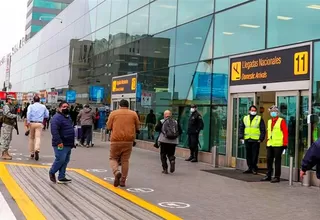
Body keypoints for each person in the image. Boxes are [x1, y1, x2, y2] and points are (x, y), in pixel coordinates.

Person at [107, 99, 140, 187]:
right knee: (125, 160)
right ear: (128, 106)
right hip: (128, 141)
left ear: (119, 105)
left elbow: (108, 126)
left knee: (113, 158)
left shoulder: (113, 113)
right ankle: (123, 181)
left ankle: (116, 171)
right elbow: (138, 126)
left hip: (116, 140)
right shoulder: (133, 114)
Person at [49, 101, 75, 184]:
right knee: (60, 159)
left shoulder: (67, 117)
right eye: (64, 107)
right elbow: (54, 131)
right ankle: (52, 172)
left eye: (67, 107)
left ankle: (61, 177)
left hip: (68, 143)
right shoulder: (56, 118)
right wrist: (59, 142)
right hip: (60, 143)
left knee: (66, 160)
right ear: (59, 108)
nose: (66, 108)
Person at [261, 105, 288, 183]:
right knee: (269, 160)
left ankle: (277, 177)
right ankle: (268, 175)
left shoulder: (281, 121)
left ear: (277, 113)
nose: (273, 113)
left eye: (275, 112)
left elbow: (285, 132)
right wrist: (267, 142)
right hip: (270, 144)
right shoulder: (269, 121)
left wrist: (285, 143)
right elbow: (268, 132)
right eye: (272, 112)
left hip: (279, 144)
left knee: (277, 161)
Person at [239, 105, 266, 174]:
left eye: (254, 110)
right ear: (249, 111)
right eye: (252, 110)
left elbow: (263, 129)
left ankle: (254, 167)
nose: (253, 111)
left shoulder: (259, 118)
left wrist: (261, 138)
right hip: (247, 139)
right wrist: (241, 137)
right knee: (248, 154)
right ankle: (249, 167)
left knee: (255, 154)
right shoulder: (245, 118)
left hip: (255, 140)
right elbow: (241, 128)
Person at [27, 96, 49, 160]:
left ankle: (32, 153)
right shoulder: (43, 106)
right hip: (39, 123)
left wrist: (28, 121)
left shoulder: (30, 106)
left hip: (32, 123)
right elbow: (47, 115)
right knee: (38, 137)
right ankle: (37, 149)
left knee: (31, 138)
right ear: (39, 100)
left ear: (33, 100)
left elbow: (28, 114)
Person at [0, 95, 17, 160]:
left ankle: (6, 152)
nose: (12, 101)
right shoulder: (6, 106)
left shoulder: (10, 106)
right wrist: (14, 116)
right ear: (8, 99)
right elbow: (7, 114)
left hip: (9, 124)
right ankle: (4, 153)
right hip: (6, 125)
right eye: (11, 100)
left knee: (9, 139)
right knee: (6, 138)